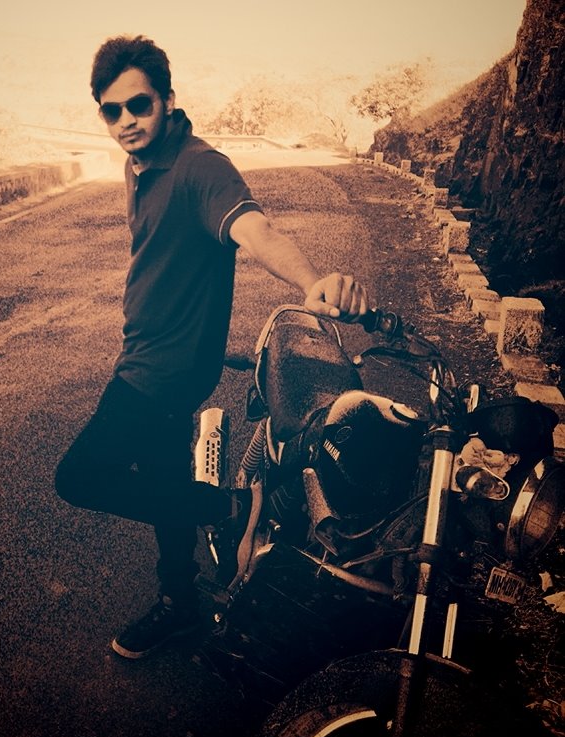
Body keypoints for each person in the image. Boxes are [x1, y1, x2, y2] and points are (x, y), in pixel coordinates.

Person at [55, 34, 369, 660]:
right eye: (112, 111)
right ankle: (180, 603)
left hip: (159, 373)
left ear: (168, 100)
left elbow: (258, 232)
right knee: (163, 481)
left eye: (139, 105)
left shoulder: (201, 168)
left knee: (81, 477)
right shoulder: (139, 164)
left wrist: (313, 282)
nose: (126, 121)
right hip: (147, 354)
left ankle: (231, 506)